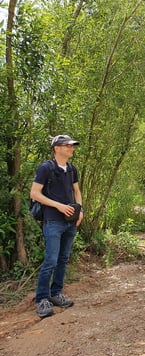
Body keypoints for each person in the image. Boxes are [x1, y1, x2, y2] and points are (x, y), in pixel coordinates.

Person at [30, 135, 84, 318]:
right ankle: (42, 299)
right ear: (57, 148)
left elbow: (77, 191)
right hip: (52, 221)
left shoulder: (72, 169)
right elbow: (35, 193)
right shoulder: (46, 168)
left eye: (72, 146)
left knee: (63, 258)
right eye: (67, 145)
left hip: (70, 222)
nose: (71, 148)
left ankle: (56, 293)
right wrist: (58, 206)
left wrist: (80, 210)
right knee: (51, 260)